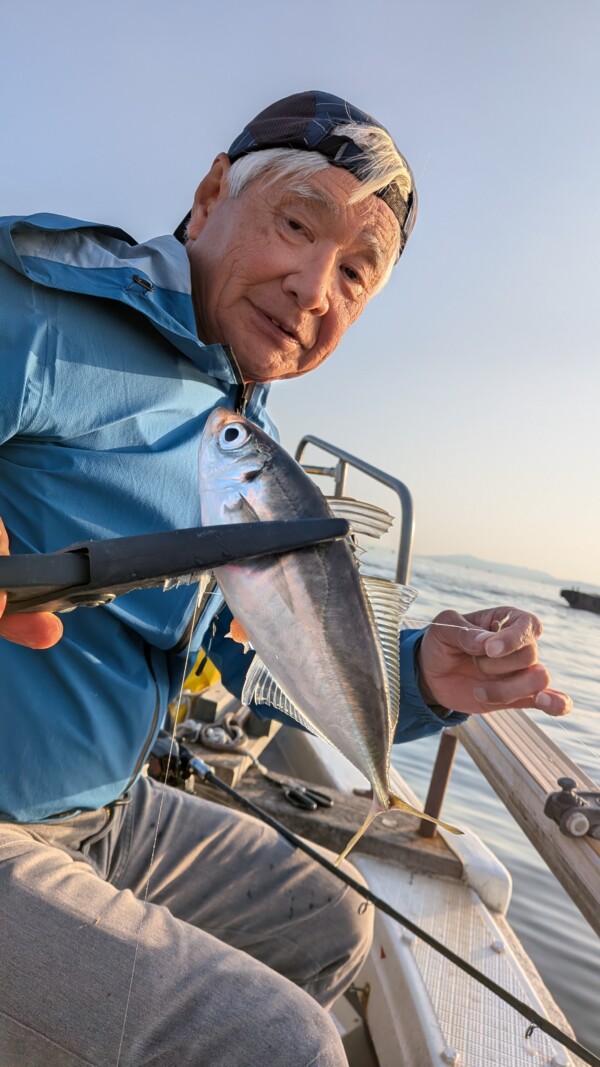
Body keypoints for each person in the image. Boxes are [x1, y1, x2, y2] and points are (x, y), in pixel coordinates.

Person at [0, 91, 571, 1067]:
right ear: (212, 192)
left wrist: (429, 675)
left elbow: (253, 646)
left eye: (357, 271)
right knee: (276, 1041)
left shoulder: (236, 429)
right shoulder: (50, 305)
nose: (315, 286)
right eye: (297, 223)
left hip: (101, 810)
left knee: (331, 920)